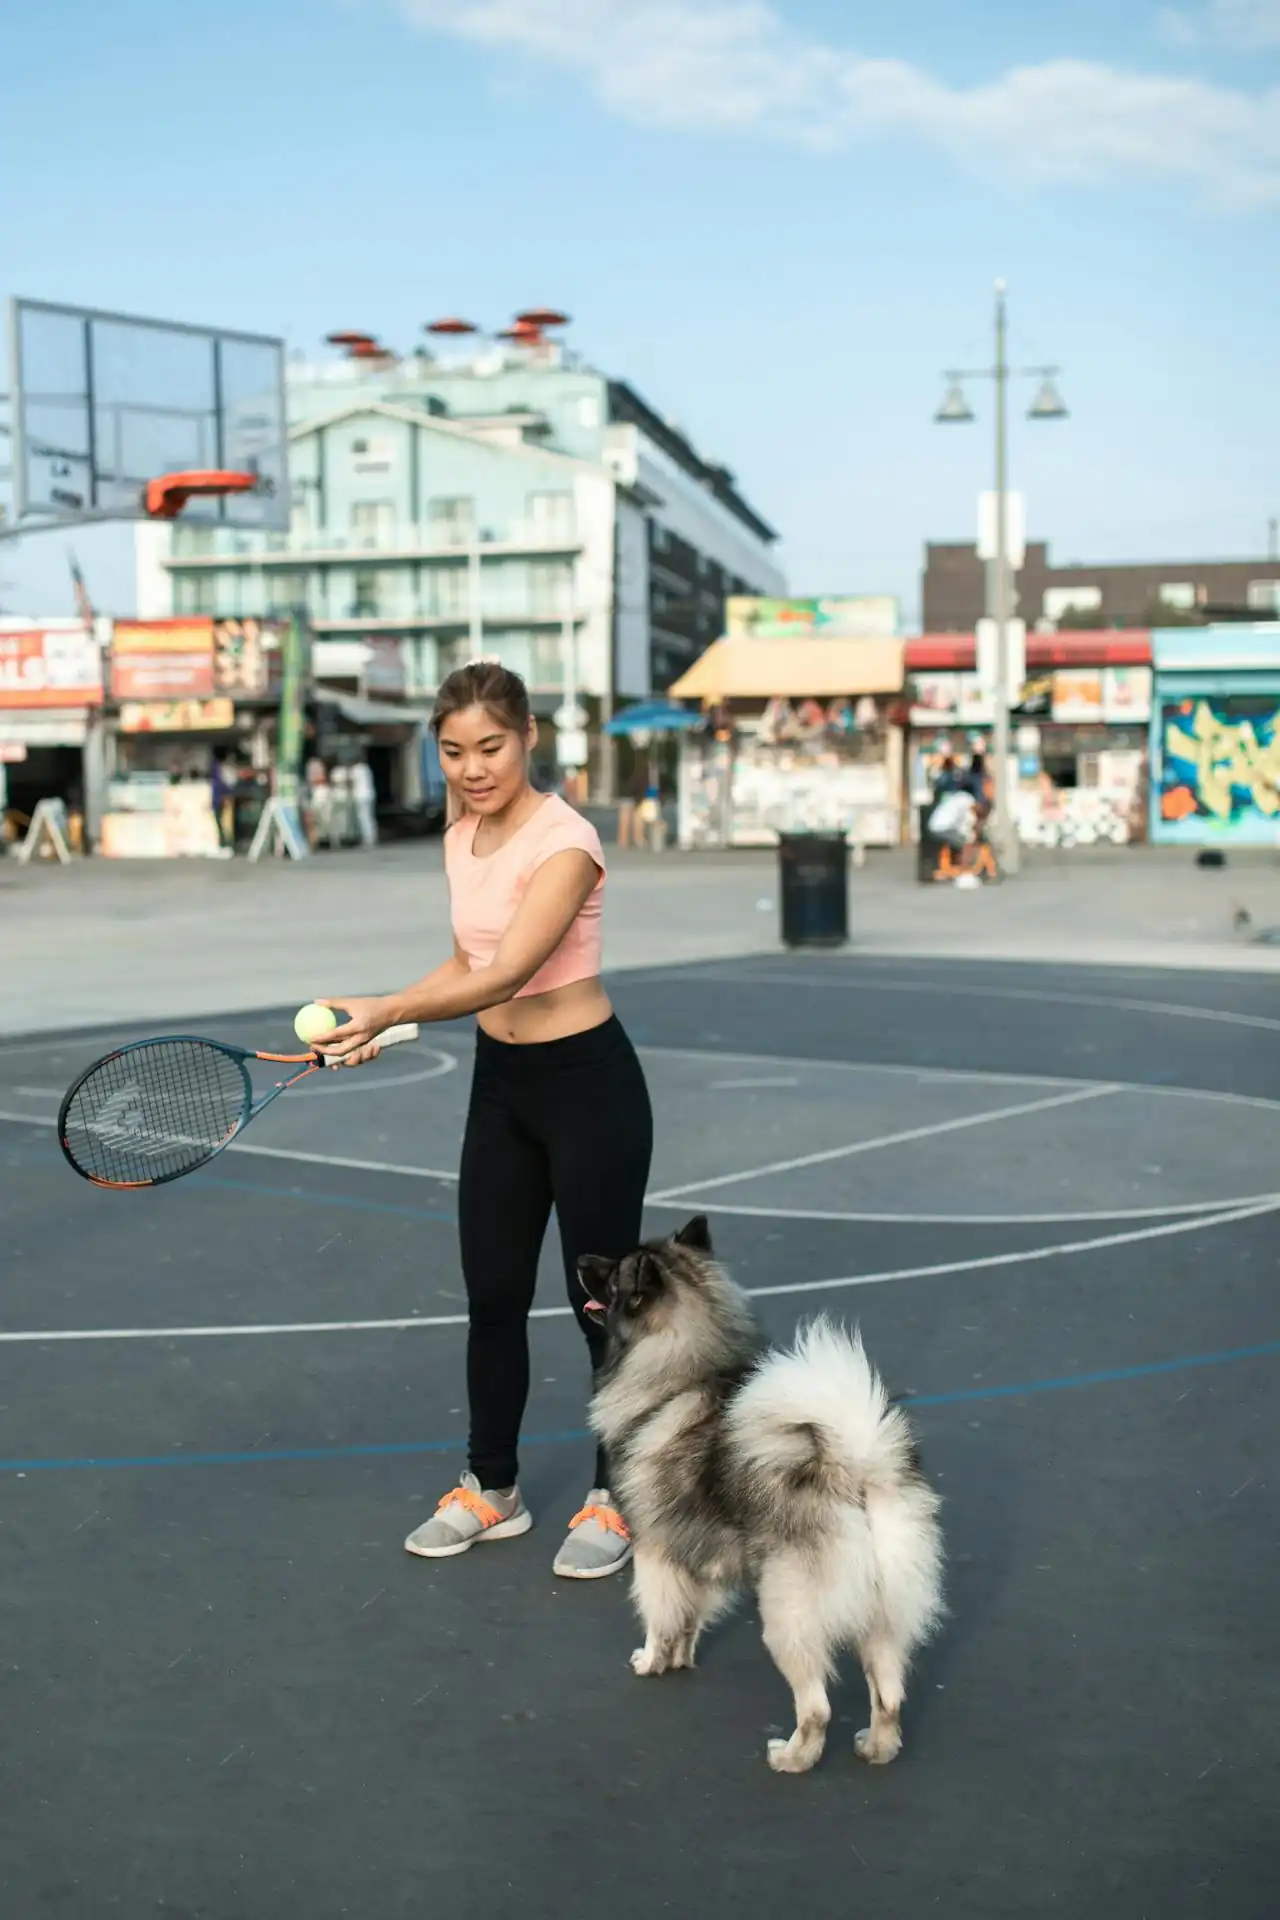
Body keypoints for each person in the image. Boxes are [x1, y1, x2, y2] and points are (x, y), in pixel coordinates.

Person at [315, 662, 653, 1580]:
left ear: (529, 736)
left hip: (588, 1086)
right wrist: (377, 1018)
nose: (472, 768)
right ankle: (491, 1487)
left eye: (490, 747)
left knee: (601, 1309)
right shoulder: (460, 835)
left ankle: (618, 1496)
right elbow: (466, 959)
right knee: (492, 1296)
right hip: (501, 1085)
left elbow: (509, 974)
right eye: (454, 750)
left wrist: (390, 1009)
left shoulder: (567, 842)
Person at [350, 755, 378, 847]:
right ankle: (373, 837)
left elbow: (349, 781)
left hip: (361, 796)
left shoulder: (355, 770)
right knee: (370, 816)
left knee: (363, 817)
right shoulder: (366, 769)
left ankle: (367, 839)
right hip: (370, 794)